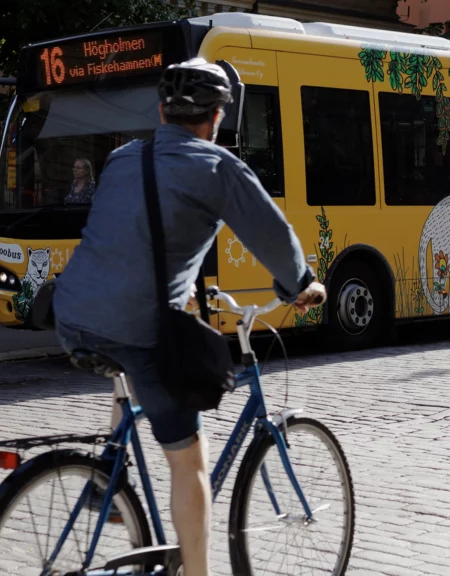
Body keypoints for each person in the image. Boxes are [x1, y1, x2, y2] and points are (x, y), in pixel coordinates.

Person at [51, 58, 325, 576]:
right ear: (218, 117)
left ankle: (107, 481)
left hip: (73, 311)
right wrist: (301, 285)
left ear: (161, 110)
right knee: (188, 460)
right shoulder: (217, 166)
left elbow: (127, 240)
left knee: (128, 360)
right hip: (138, 326)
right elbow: (271, 236)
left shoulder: (122, 158)